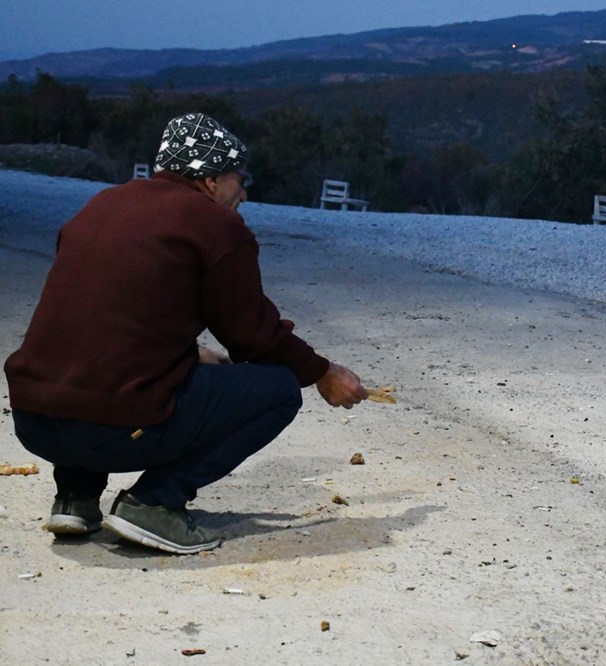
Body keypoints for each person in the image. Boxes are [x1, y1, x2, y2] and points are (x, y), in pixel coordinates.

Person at [3, 112, 369, 555]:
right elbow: (254, 337)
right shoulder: (213, 224)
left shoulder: (100, 207)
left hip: (35, 419)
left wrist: (192, 354)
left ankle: (76, 496)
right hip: (113, 428)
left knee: (86, 365)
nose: (244, 193)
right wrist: (321, 372)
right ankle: (154, 503)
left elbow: (109, 322)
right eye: (240, 178)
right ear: (211, 179)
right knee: (278, 390)